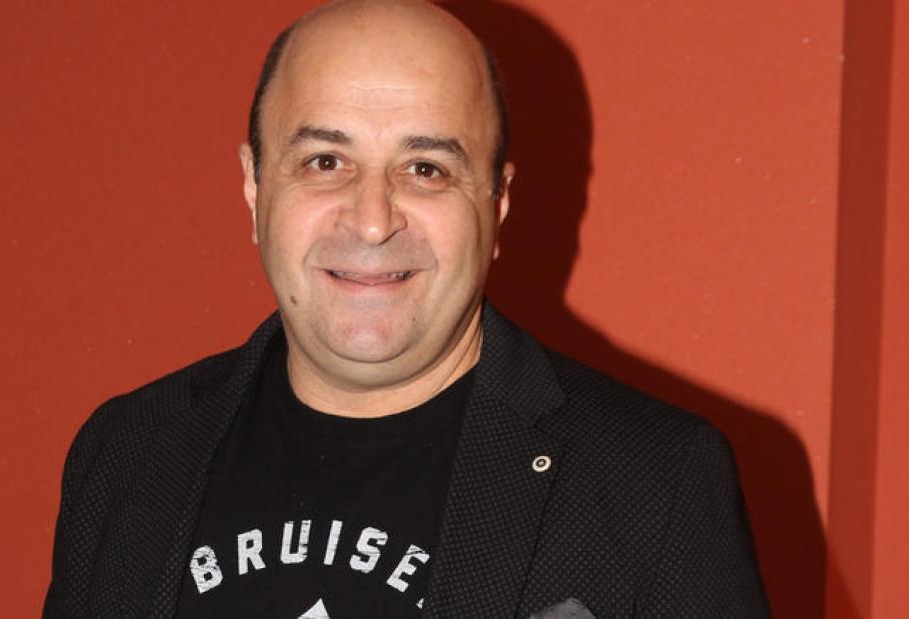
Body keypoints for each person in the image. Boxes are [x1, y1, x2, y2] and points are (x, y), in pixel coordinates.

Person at [43, 1, 770, 617]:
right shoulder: (126, 453)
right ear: (254, 187)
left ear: (497, 204)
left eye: (426, 169)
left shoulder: (654, 483)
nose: (371, 220)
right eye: (325, 161)